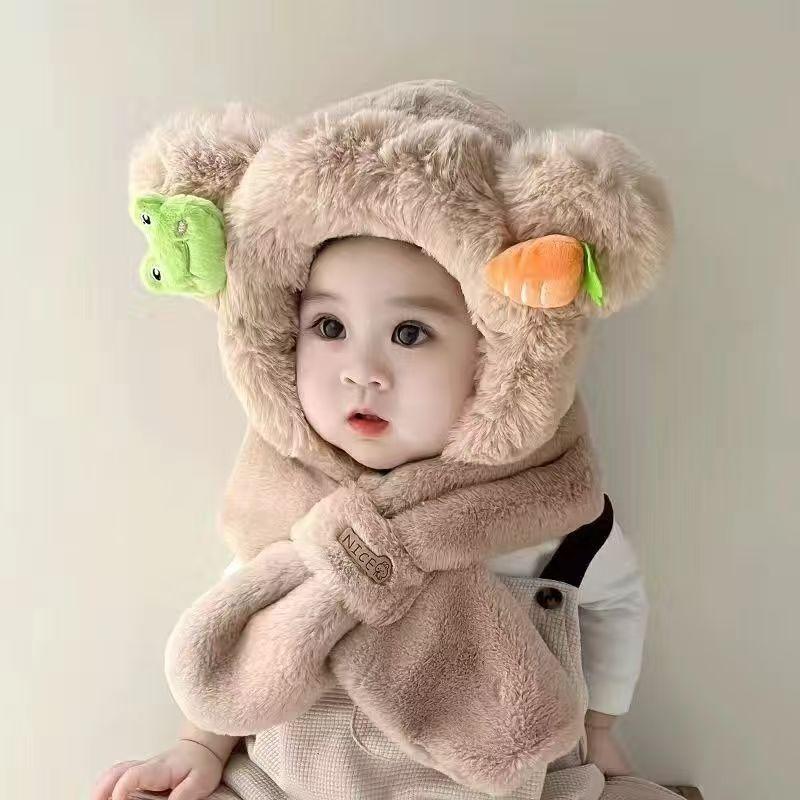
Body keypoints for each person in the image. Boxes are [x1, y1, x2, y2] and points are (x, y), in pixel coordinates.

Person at [93, 78, 676, 800]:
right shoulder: (281, 502)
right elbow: (243, 632)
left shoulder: (546, 513)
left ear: (497, 358)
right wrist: (200, 745)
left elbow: (616, 603)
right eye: (329, 327)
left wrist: (601, 725)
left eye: (410, 333)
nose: (362, 371)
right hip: (285, 784)